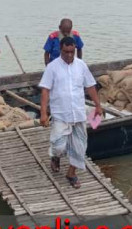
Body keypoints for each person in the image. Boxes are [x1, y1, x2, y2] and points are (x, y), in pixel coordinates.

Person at [39, 37, 103, 189]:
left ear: (75, 50)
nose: (69, 55)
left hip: (78, 113)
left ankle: (71, 173)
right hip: (61, 113)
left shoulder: (81, 65)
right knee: (58, 146)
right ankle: (55, 157)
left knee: (80, 145)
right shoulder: (52, 67)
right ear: (60, 50)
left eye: (72, 51)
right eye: (66, 51)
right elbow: (45, 90)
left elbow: (90, 86)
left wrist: (98, 105)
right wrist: (43, 112)